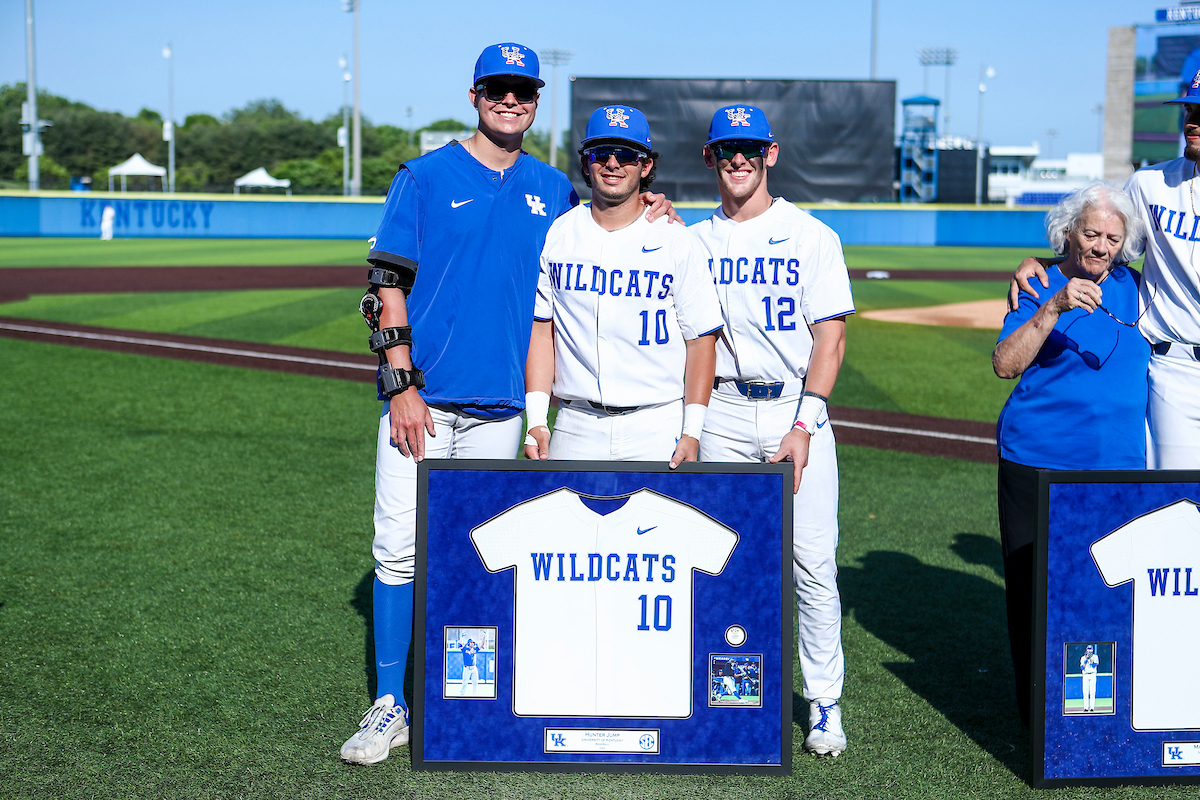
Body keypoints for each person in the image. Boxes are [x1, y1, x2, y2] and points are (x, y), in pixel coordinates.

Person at [341, 43, 676, 766]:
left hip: (502, 412)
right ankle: (390, 703)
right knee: (398, 552)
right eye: (498, 88)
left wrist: (654, 204)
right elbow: (384, 283)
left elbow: (604, 226)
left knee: (480, 559)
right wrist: (402, 384)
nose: (511, 100)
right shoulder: (424, 176)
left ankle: (470, 701)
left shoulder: (555, 189)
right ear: (474, 95)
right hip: (423, 404)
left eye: (523, 91)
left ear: (534, 100)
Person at [690, 105, 854, 758]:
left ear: (771, 153)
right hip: (723, 412)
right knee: (728, 564)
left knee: (811, 565)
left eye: (749, 149)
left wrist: (806, 423)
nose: (738, 159)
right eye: (727, 149)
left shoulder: (811, 235)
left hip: (793, 408)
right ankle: (732, 696)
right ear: (711, 157)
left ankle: (825, 703)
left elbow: (831, 339)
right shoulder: (691, 240)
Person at [993, 181, 1147, 728]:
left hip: (1117, 470)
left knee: (1107, 591)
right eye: (1091, 233)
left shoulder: (1139, 286)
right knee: (1034, 591)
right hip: (1037, 461)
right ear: (1069, 233)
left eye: (1112, 237)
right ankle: (1038, 718)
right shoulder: (1039, 285)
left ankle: (1095, 714)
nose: (1101, 247)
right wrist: (1055, 303)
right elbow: (1005, 363)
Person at [1009, 71, 1200, 469]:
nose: (1192, 121)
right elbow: (1104, 244)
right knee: (1180, 505)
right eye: (1189, 109)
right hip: (1175, 370)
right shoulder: (1151, 184)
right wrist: (1044, 263)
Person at [523, 106, 722, 465]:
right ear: (586, 164)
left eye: (627, 154)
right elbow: (542, 331)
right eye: (601, 153)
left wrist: (692, 432)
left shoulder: (677, 240)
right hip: (575, 422)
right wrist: (537, 420)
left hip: (658, 423)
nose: (613, 163)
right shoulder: (560, 234)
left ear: (645, 166)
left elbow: (701, 341)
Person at [1080, 645, 1099, 713]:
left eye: (1090, 649)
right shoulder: (1083, 658)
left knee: (1092, 692)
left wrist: (1090, 658)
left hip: (1092, 674)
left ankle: (1092, 708)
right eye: (1088, 649)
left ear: (1093, 650)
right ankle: (1085, 707)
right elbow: (1082, 667)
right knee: (1085, 692)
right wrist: (1086, 659)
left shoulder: (1095, 657)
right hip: (1085, 675)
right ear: (1086, 650)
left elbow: (1094, 665)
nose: (1089, 650)